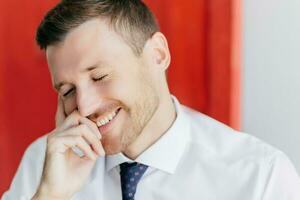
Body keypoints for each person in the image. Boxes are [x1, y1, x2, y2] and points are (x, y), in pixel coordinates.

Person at [2, 0, 300, 199]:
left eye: (100, 76)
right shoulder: (43, 164)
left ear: (157, 54)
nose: (86, 106)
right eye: (67, 91)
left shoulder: (260, 177)